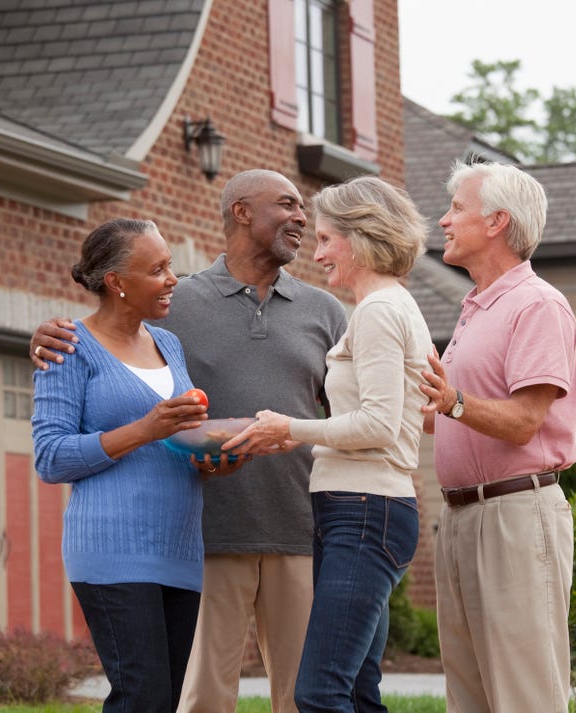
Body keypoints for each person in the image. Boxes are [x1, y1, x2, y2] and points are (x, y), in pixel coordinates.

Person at [29, 170, 348, 713]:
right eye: (288, 204)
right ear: (242, 212)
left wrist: (213, 460)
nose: (302, 217)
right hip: (193, 537)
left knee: (298, 698)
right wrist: (44, 338)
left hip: (277, 527)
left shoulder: (318, 313)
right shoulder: (166, 311)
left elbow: (346, 416)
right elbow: (63, 435)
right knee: (182, 699)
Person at [222, 176, 432, 712]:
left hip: (365, 513)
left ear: (361, 238)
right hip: (358, 511)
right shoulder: (387, 307)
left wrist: (288, 429)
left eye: (326, 240)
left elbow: (379, 426)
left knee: (319, 692)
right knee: (357, 692)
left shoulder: (381, 311)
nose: (316, 255)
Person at [31, 217, 234, 713]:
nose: (173, 280)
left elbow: (176, 441)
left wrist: (213, 459)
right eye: (158, 269)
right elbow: (50, 457)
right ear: (116, 282)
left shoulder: (169, 345)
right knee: (140, 698)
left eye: (171, 267)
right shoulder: (68, 348)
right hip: (112, 551)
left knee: (162, 701)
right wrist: (145, 428)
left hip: (179, 549)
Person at [418, 161, 576, 712]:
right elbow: (447, 414)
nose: (443, 220)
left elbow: (523, 420)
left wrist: (454, 402)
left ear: (496, 222)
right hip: (460, 518)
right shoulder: (475, 309)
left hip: (515, 515)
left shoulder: (537, 305)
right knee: (470, 699)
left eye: (457, 208)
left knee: (525, 697)